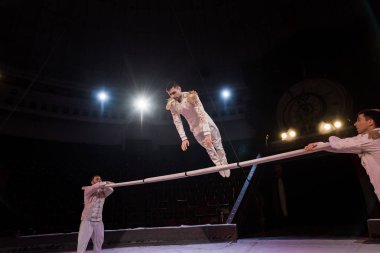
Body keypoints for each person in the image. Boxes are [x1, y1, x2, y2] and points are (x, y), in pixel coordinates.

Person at [304, 109, 380, 202]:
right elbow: (342, 146)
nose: (355, 124)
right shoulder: (370, 137)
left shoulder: (371, 137)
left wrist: (330, 137)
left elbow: (338, 145)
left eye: (359, 120)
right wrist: (319, 145)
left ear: (370, 122)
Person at [166, 81, 230, 178]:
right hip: (195, 130)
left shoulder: (191, 96)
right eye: (170, 94)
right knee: (209, 150)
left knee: (218, 146)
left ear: (179, 88)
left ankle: (224, 164)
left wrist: (207, 134)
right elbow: (177, 122)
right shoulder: (172, 104)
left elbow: (201, 114)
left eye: (174, 92)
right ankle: (219, 166)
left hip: (207, 124)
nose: (172, 96)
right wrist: (183, 138)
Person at [77, 175, 114, 253]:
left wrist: (106, 185)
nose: (99, 180)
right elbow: (95, 187)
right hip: (87, 221)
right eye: (96, 179)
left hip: (98, 221)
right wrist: (106, 182)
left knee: (99, 243)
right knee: (82, 243)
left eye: (100, 179)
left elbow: (111, 190)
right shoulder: (87, 190)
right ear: (92, 182)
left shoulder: (103, 193)